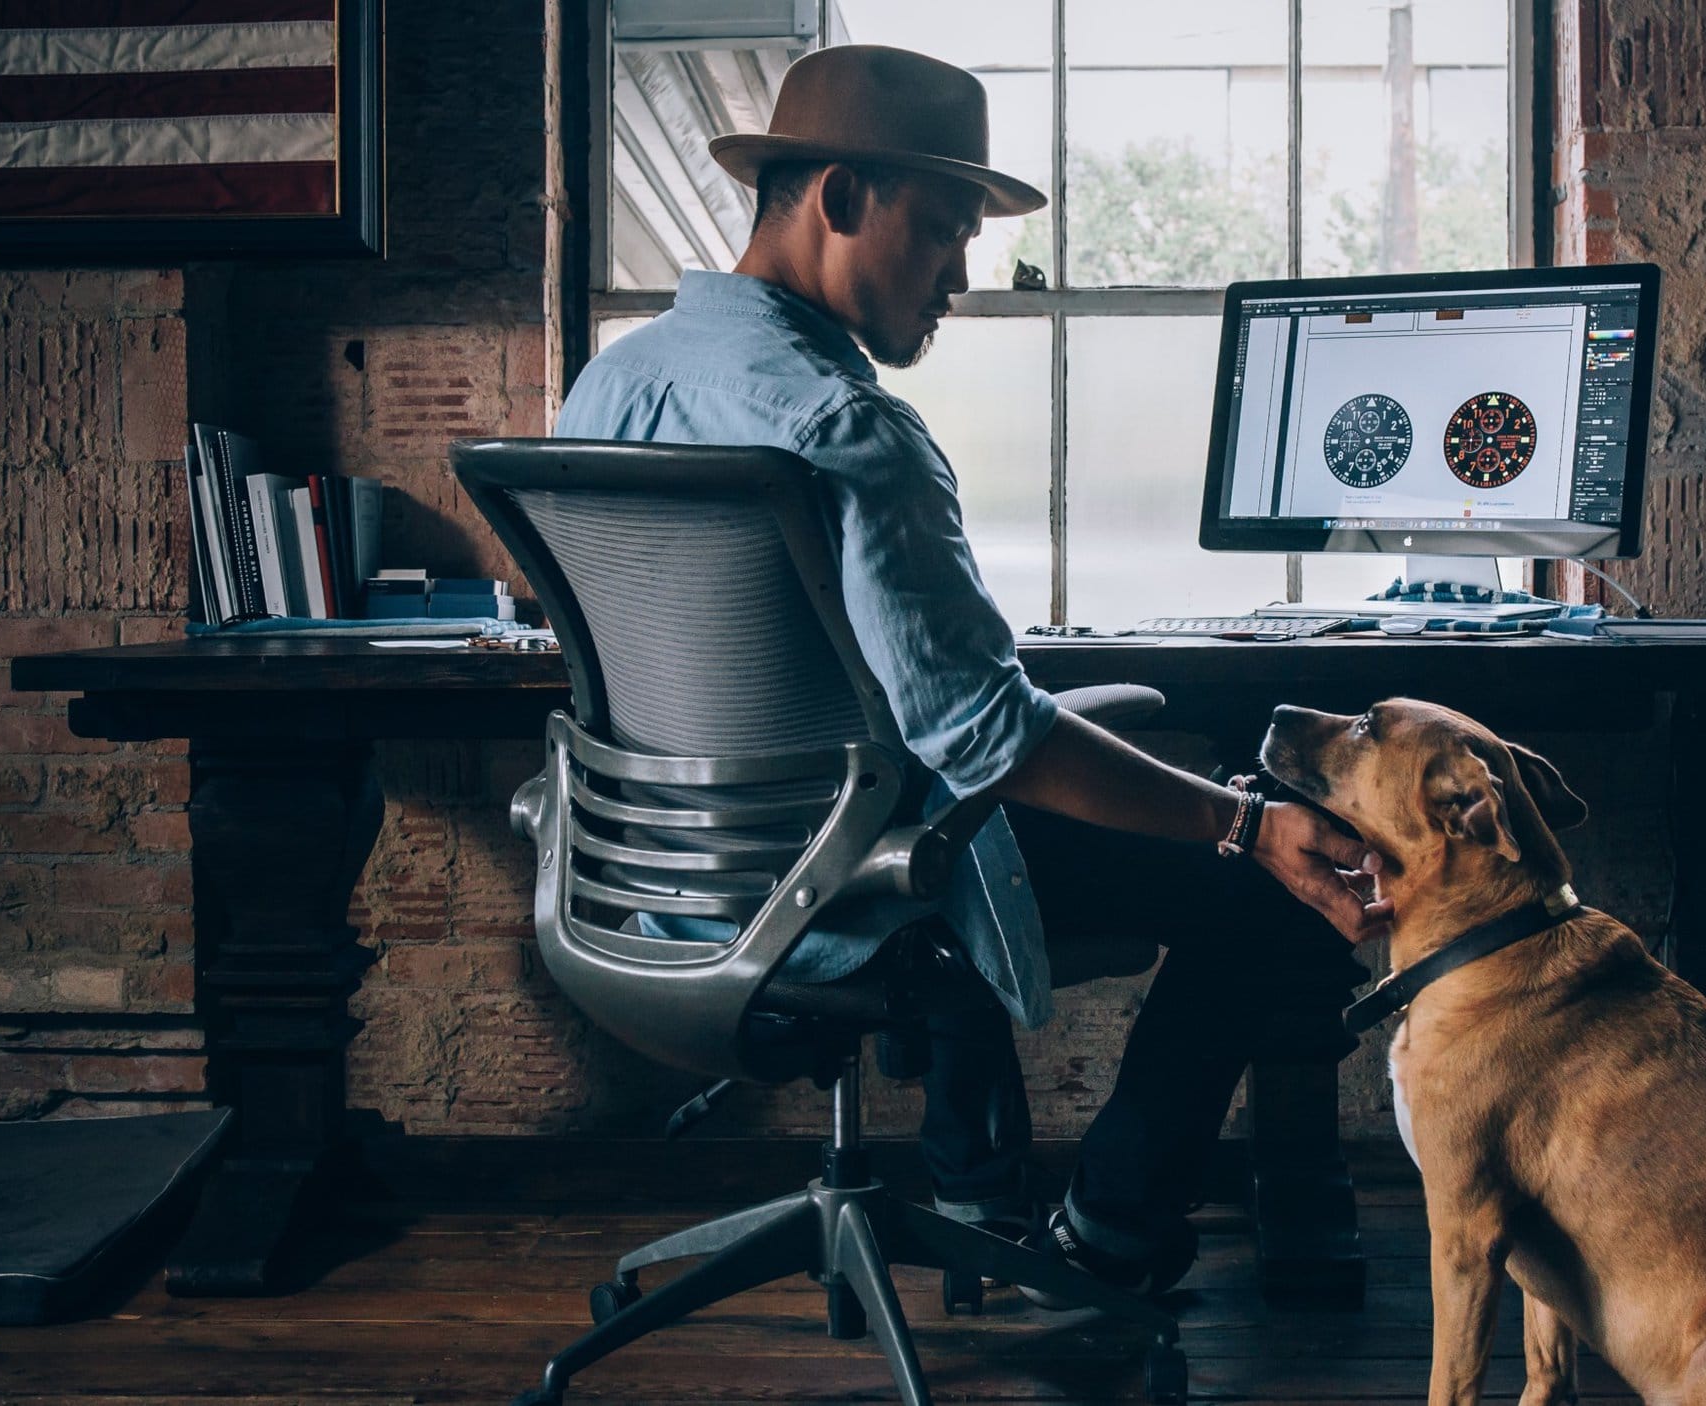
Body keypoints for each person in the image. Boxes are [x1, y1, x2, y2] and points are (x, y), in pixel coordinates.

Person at [553, 43, 1386, 1297]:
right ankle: (1110, 1232)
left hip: (659, 880)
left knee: (990, 799)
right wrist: (1244, 822)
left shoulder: (607, 388)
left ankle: (977, 1195)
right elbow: (988, 736)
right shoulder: (851, 428)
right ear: (840, 199)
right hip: (839, 890)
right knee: (1269, 876)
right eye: (943, 231)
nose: (959, 277)